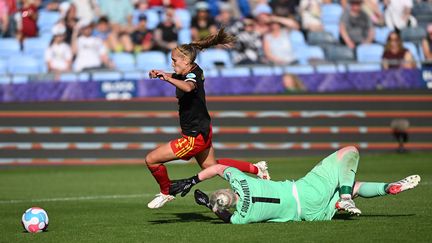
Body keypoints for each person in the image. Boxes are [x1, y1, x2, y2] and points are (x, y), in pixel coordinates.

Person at [145, 28, 270, 209]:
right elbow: (181, 77)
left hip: (194, 137)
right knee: (212, 166)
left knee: (151, 160)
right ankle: (257, 169)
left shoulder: (192, 76)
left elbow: (188, 87)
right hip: (203, 130)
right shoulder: (192, 69)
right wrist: (164, 74)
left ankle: (166, 192)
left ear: (186, 61)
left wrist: (166, 78)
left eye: (173, 61)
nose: (171, 64)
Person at [170, 146, 421, 224]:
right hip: (304, 190)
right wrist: (192, 181)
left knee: (354, 185)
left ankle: (386, 188)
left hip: (310, 215)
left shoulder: (242, 218)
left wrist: (211, 206)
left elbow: (226, 217)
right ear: (228, 190)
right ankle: (346, 197)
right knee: (349, 153)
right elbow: (215, 168)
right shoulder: (241, 180)